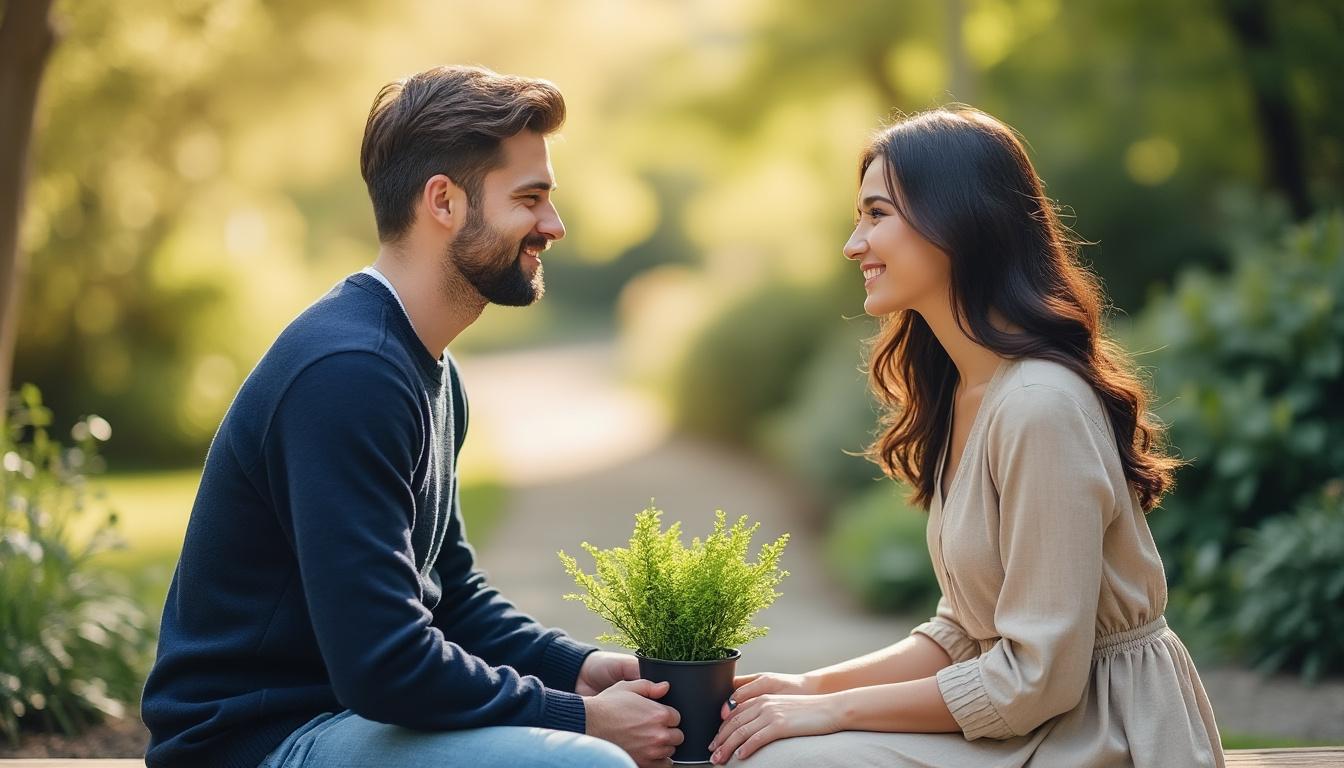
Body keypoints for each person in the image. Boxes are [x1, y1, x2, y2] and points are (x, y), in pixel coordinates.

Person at [141, 65, 682, 768]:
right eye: (531, 198)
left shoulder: (428, 369)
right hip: (253, 743)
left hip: (342, 720)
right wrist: (578, 718)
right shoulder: (350, 373)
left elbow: (448, 594)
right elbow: (385, 665)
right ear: (444, 202)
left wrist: (575, 669)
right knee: (588, 763)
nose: (554, 224)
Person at [707, 106, 1226, 767]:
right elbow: (961, 632)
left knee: (783, 760)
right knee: (773, 747)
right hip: (1030, 724)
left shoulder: (1039, 406)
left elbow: (1035, 680)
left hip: (1103, 735)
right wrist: (805, 686)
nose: (853, 243)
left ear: (957, 219)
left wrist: (827, 711)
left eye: (876, 214)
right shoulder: (967, 392)